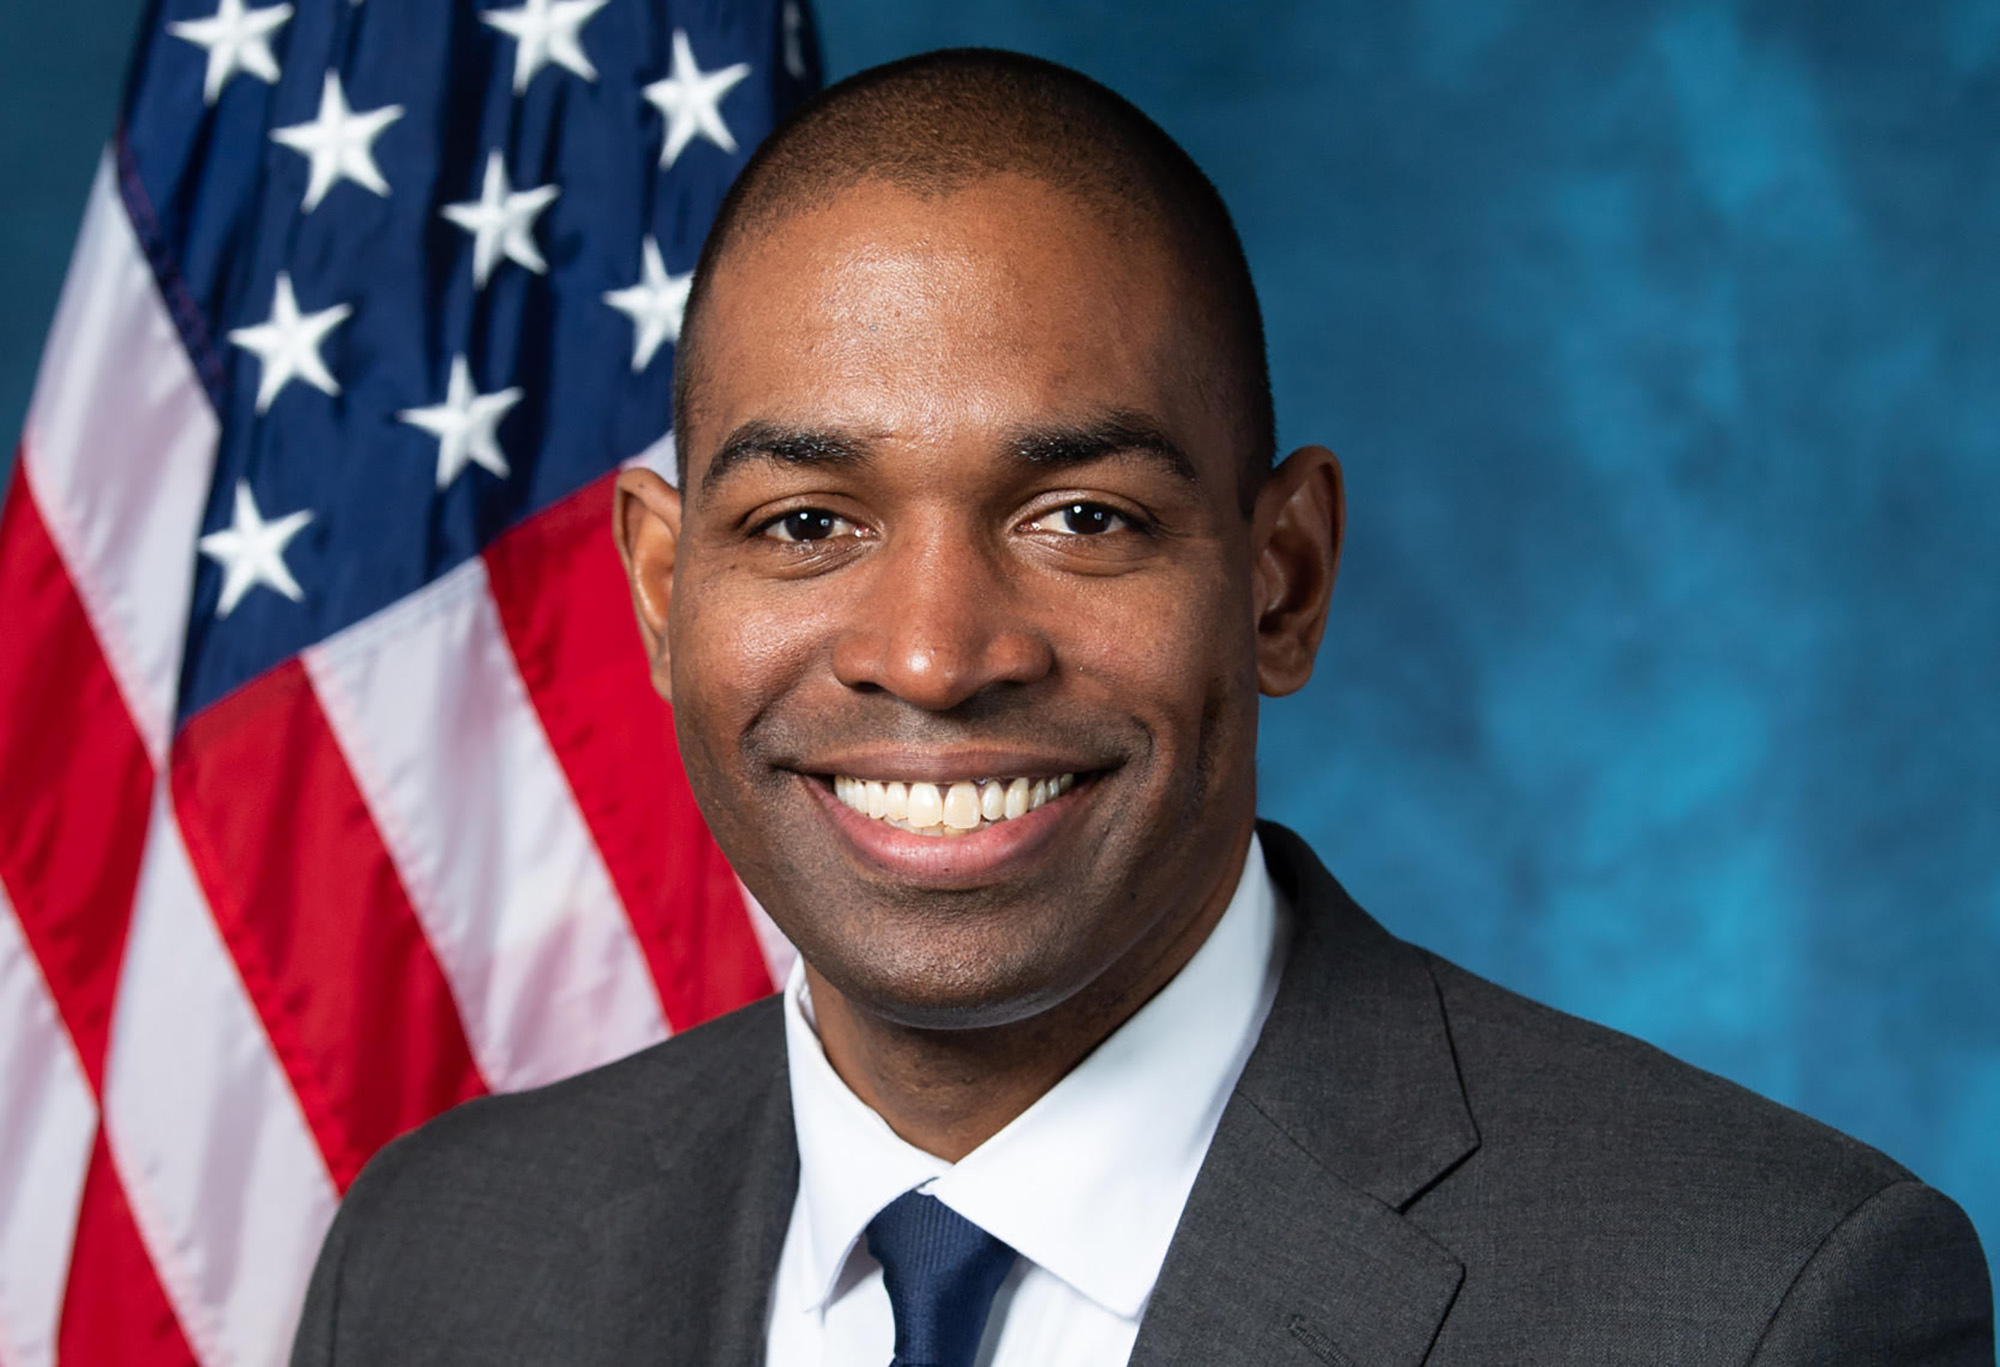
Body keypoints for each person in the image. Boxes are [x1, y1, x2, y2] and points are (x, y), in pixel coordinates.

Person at [289, 49, 1993, 1366]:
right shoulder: (442, 1264)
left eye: (1080, 518)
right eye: (809, 525)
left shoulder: (1760, 1305)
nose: (937, 657)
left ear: (1281, 580)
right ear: (667, 592)